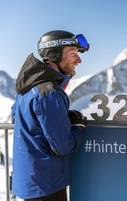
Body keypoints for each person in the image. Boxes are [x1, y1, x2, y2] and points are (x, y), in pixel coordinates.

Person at [11, 30, 89, 201]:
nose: (79, 59)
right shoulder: (50, 93)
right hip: (46, 187)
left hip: (27, 184)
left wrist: (61, 116)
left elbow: (21, 119)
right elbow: (63, 146)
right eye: (73, 53)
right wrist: (78, 127)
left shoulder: (27, 88)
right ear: (54, 54)